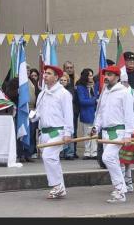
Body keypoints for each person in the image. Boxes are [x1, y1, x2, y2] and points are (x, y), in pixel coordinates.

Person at [90, 65, 134, 203]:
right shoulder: (105, 92)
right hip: (105, 132)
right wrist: (96, 127)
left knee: (107, 158)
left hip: (118, 131)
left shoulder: (124, 92)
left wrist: (128, 134)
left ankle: (120, 189)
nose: (107, 77)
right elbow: (100, 112)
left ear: (117, 77)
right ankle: (122, 188)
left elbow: (129, 114)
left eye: (110, 75)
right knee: (112, 159)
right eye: (106, 74)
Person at [30, 65, 73, 199]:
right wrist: (32, 116)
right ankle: (61, 187)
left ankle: (57, 186)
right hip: (44, 133)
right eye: (44, 73)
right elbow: (39, 111)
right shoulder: (42, 93)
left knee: (48, 156)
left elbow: (68, 114)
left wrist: (68, 133)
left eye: (49, 73)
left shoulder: (64, 93)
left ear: (56, 77)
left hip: (57, 132)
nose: (45, 75)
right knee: (52, 159)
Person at [76, 68, 99, 160]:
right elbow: (82, 101)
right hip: (86, 113)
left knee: (94, 132)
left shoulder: (96, 85)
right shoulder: (80, 87)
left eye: (92, 75)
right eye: (89, 75)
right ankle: (87, 152)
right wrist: (94, 100)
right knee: (87, 133)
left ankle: (94, 152)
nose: (91, 77)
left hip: (95, 112)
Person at [63, 61, 80, 158]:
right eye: (67, 68)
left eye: (71, 67)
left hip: (74, 109)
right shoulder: (62, 79)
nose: (69, 69)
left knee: (74, 130)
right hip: (64, 110)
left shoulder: (77, 79)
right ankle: (65, 151)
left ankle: (73, 151)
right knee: (65, 130)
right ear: (64, 69)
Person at [59, 72, 75, 160]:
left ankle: (69, 153)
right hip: (59, 115)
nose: (62, 82)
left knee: (69, 132)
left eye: (64, 80)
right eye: (61, 80)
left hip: (68, 113)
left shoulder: (70, 90)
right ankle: (61, 152)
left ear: (67, 81)